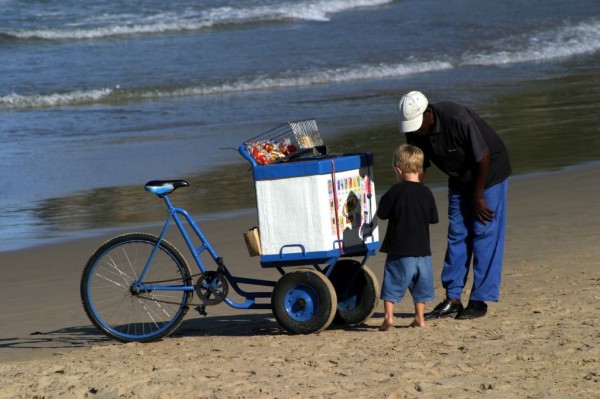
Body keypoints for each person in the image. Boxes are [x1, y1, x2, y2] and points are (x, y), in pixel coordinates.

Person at [398, 90, 511, 320]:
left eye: (418, 124)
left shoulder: (457, 117)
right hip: (459, 178)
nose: (415, 130)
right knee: (457, 234)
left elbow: (483, 156)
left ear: (428, 112)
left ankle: (480, 300)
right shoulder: (414, 131)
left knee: (484, 233)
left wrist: (478, 196)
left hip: (489, 174)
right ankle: (453, 298)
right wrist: (414, 197)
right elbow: (420, 169)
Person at [377, 144, 439, 330]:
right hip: (423, 250)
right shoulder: (426, 192)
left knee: (393, 282)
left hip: (400, 249)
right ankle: (420, 318)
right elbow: (433, 219)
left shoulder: (395, 192)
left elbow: (382, 213)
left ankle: (389, 317)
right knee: (422, 286)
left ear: (398, 169)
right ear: (420, 170)